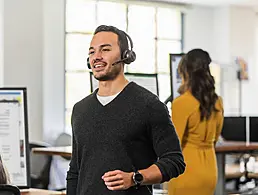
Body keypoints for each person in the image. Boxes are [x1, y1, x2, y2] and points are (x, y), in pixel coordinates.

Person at [66, 25, 185, 195]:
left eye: (105, 49)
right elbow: (75, 171)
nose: (96, 57)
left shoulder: (149, 105)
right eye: (92, 52)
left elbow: (174, 161)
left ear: (125, 56)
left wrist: (135, 178)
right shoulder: (80, 109)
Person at [168, 49, 224, 195]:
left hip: (186, 172)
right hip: (210, 171)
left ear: (185, 72)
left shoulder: (181, 103)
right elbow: (215, 138)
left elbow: (173, 146)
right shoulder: (217, 102)